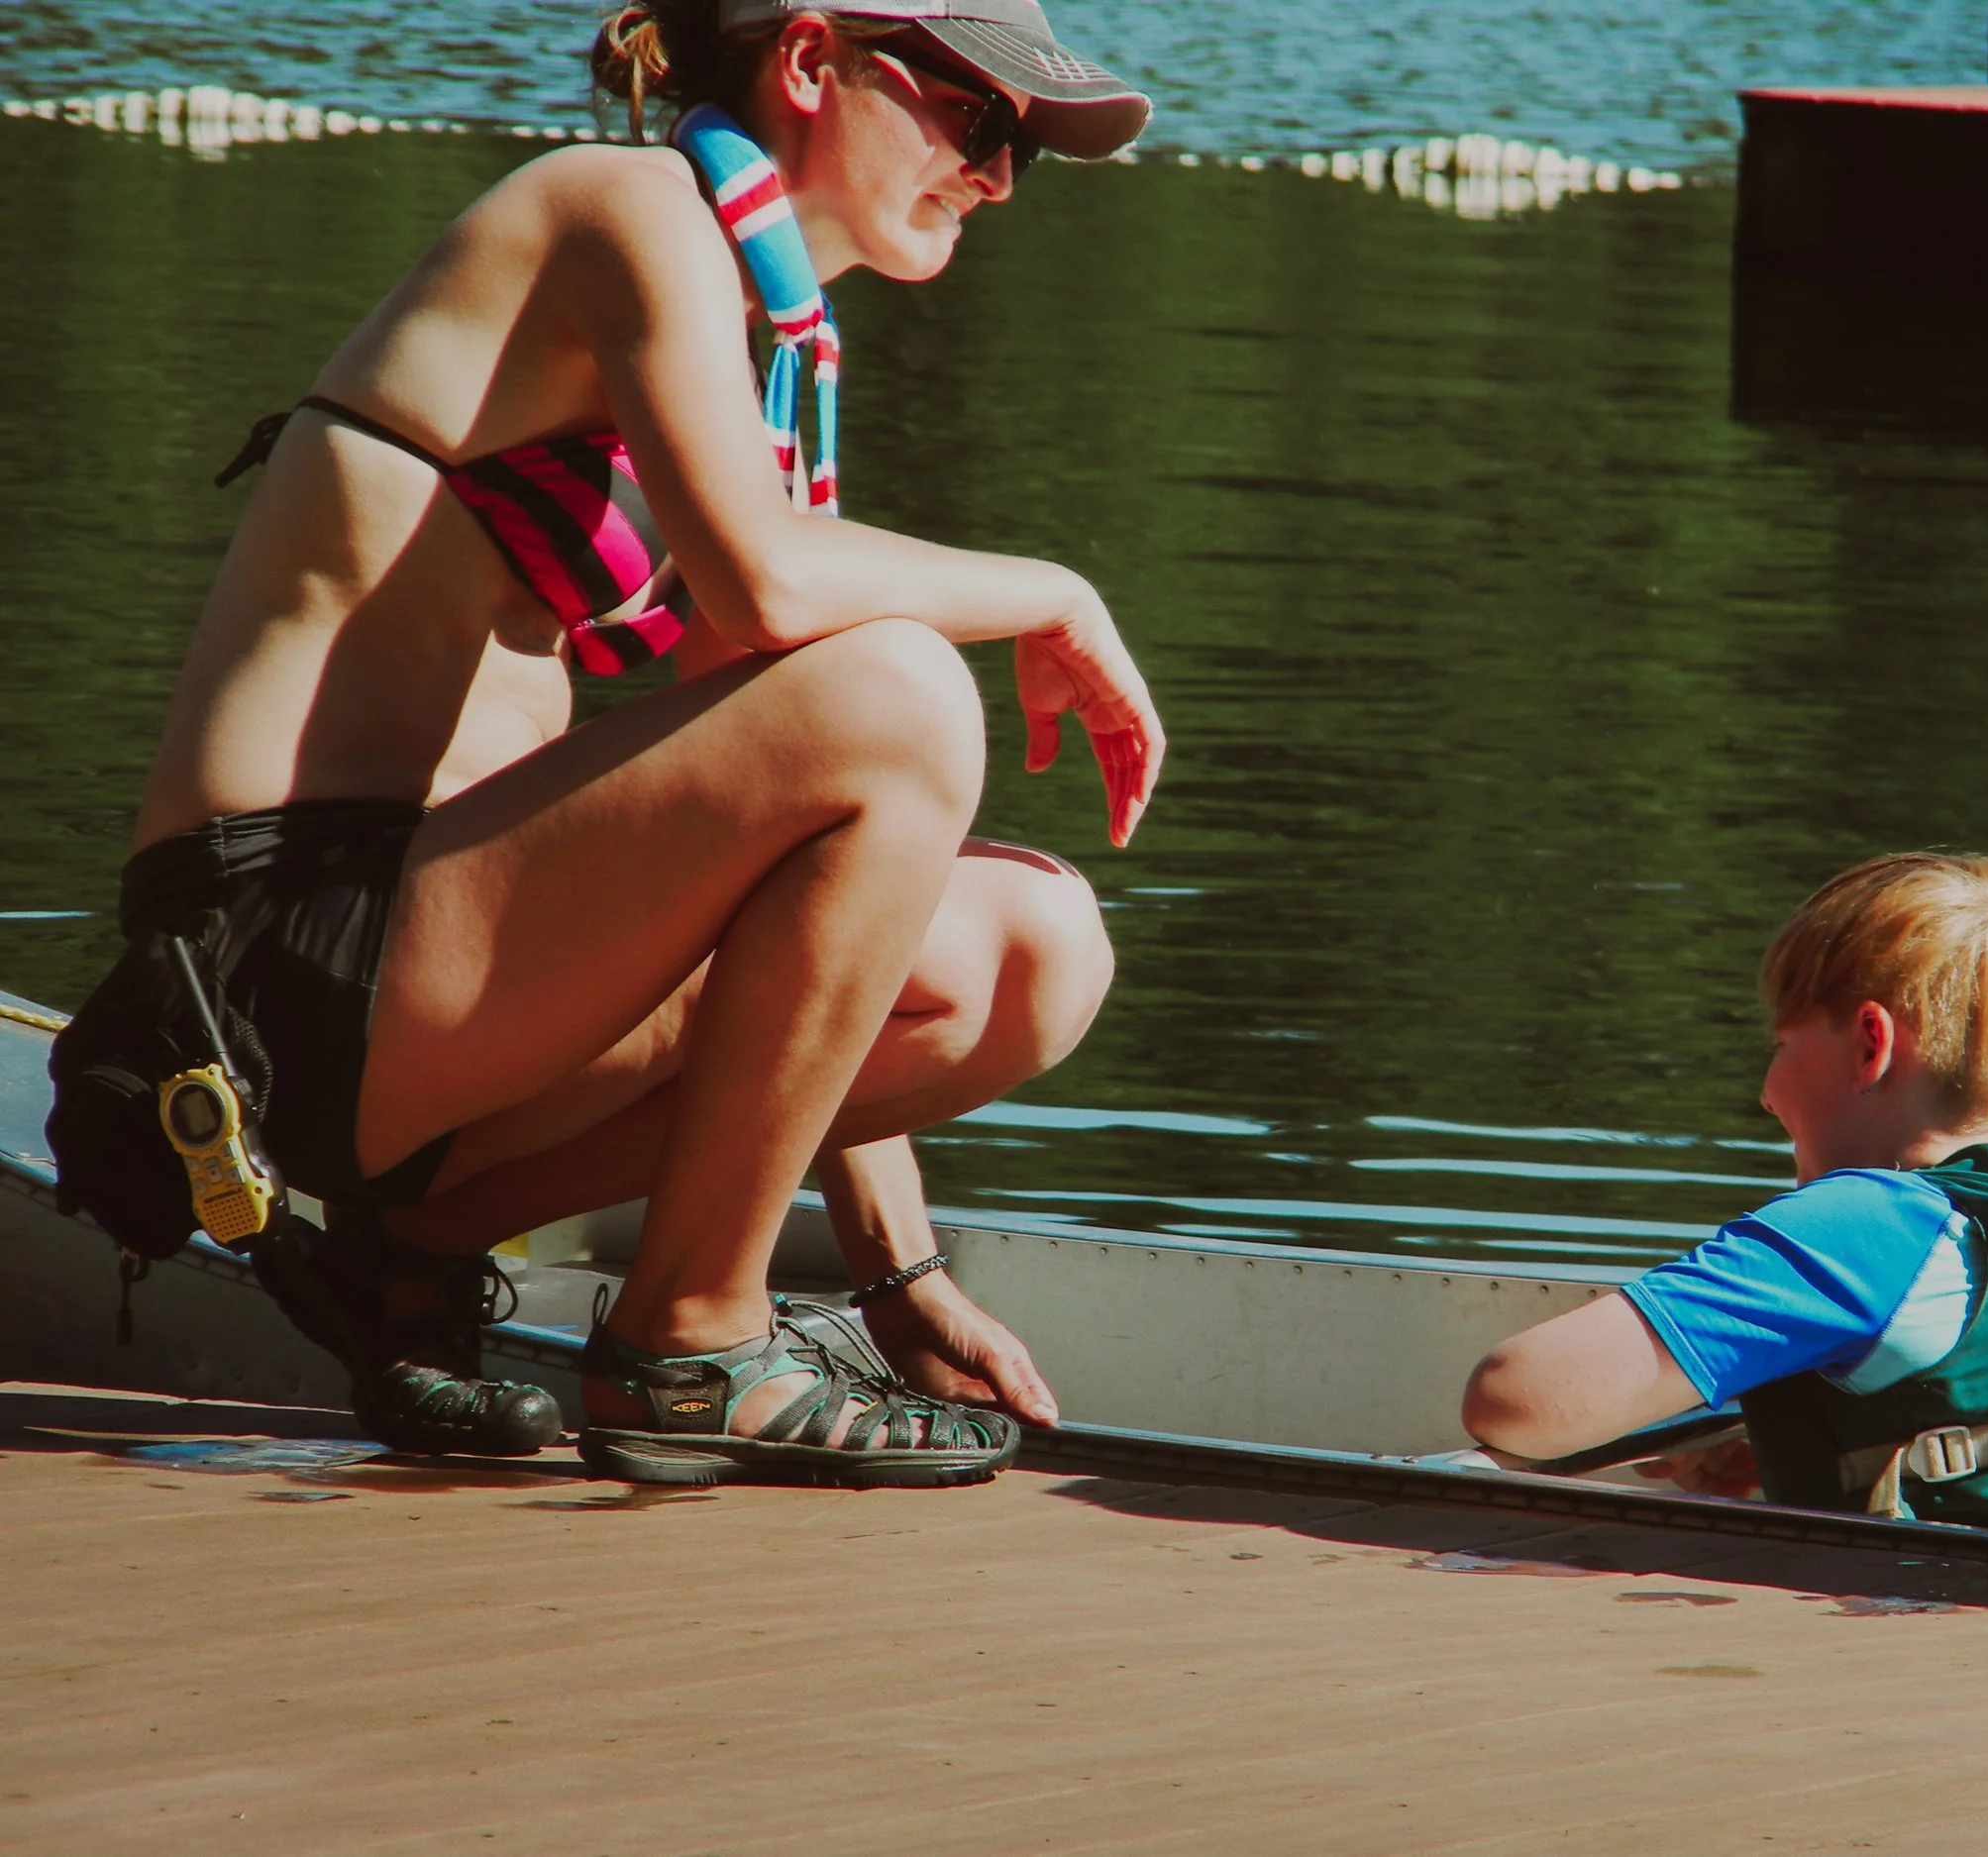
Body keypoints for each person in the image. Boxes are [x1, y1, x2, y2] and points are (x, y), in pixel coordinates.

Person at [46, 0, 1165, 1489]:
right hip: (265, 974)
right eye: (974, 115)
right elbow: (776, 589)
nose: (999, 174)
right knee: (902, 688)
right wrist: (1062, 593)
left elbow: (816, 885)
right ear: (813, 60)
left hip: (437, 1017)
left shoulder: (756, 336)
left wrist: (900, 1273)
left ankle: (420, 1248)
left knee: (1034, 952)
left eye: (1018, 143)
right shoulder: (620, 211)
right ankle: (690, 1344)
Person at [1462, 849, 1988, 1552]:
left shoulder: (1863, 1223)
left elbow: (1514, 1401)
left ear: (1869, 1043)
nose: (1765, 1090)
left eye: (1783, 1045)